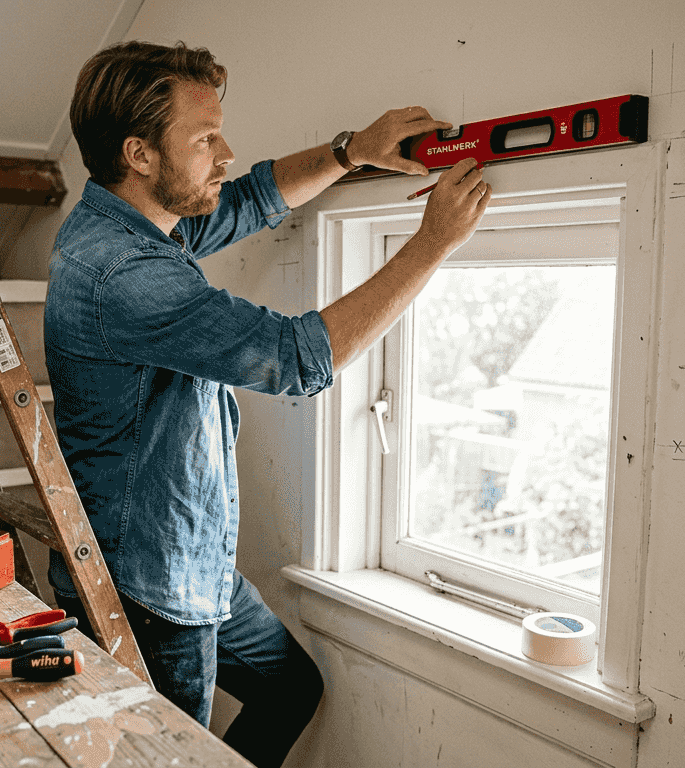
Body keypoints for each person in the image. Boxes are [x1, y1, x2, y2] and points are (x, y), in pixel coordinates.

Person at [44, 41, 491, 767]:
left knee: (288, 688)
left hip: (191, 561)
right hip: (148, 583)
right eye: (204, 138)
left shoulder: (127, 222)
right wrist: (432, 244)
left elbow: (248, 198)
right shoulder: (125, 272)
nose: (224, 152)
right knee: (167, 758)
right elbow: (293, 358)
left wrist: (351, 151)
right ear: (141, 154)